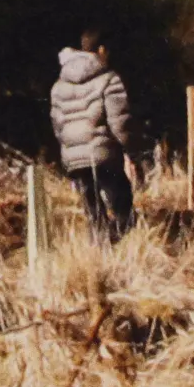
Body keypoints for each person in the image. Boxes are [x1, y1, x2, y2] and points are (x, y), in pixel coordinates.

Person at [50, 29, 135, 243]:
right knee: (121, 204)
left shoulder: (59, 85)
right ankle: (121, 245)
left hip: (74, 159)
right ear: (102, 50)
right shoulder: (109, 79)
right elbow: (119, 122)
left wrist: (68, 149)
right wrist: (129, 150)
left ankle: (99, 249)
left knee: (93, 211)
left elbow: (58, 125)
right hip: (104, 154)